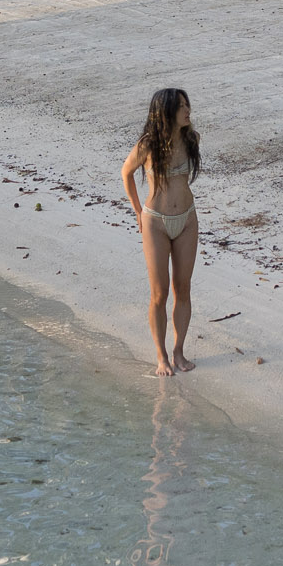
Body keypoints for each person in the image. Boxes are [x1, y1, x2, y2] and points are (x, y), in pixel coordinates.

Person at [122, 85, 201, 378]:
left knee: (183, 288)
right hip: (155, 222)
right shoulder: (148, 145)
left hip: (187, 220)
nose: (187, 110)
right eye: (181, 106)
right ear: (166, 112)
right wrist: (137, 212)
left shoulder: (191, 138)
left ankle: (179, 351)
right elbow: (126, 173)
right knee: (159, 293)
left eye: (187, 104)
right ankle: (161, 356)